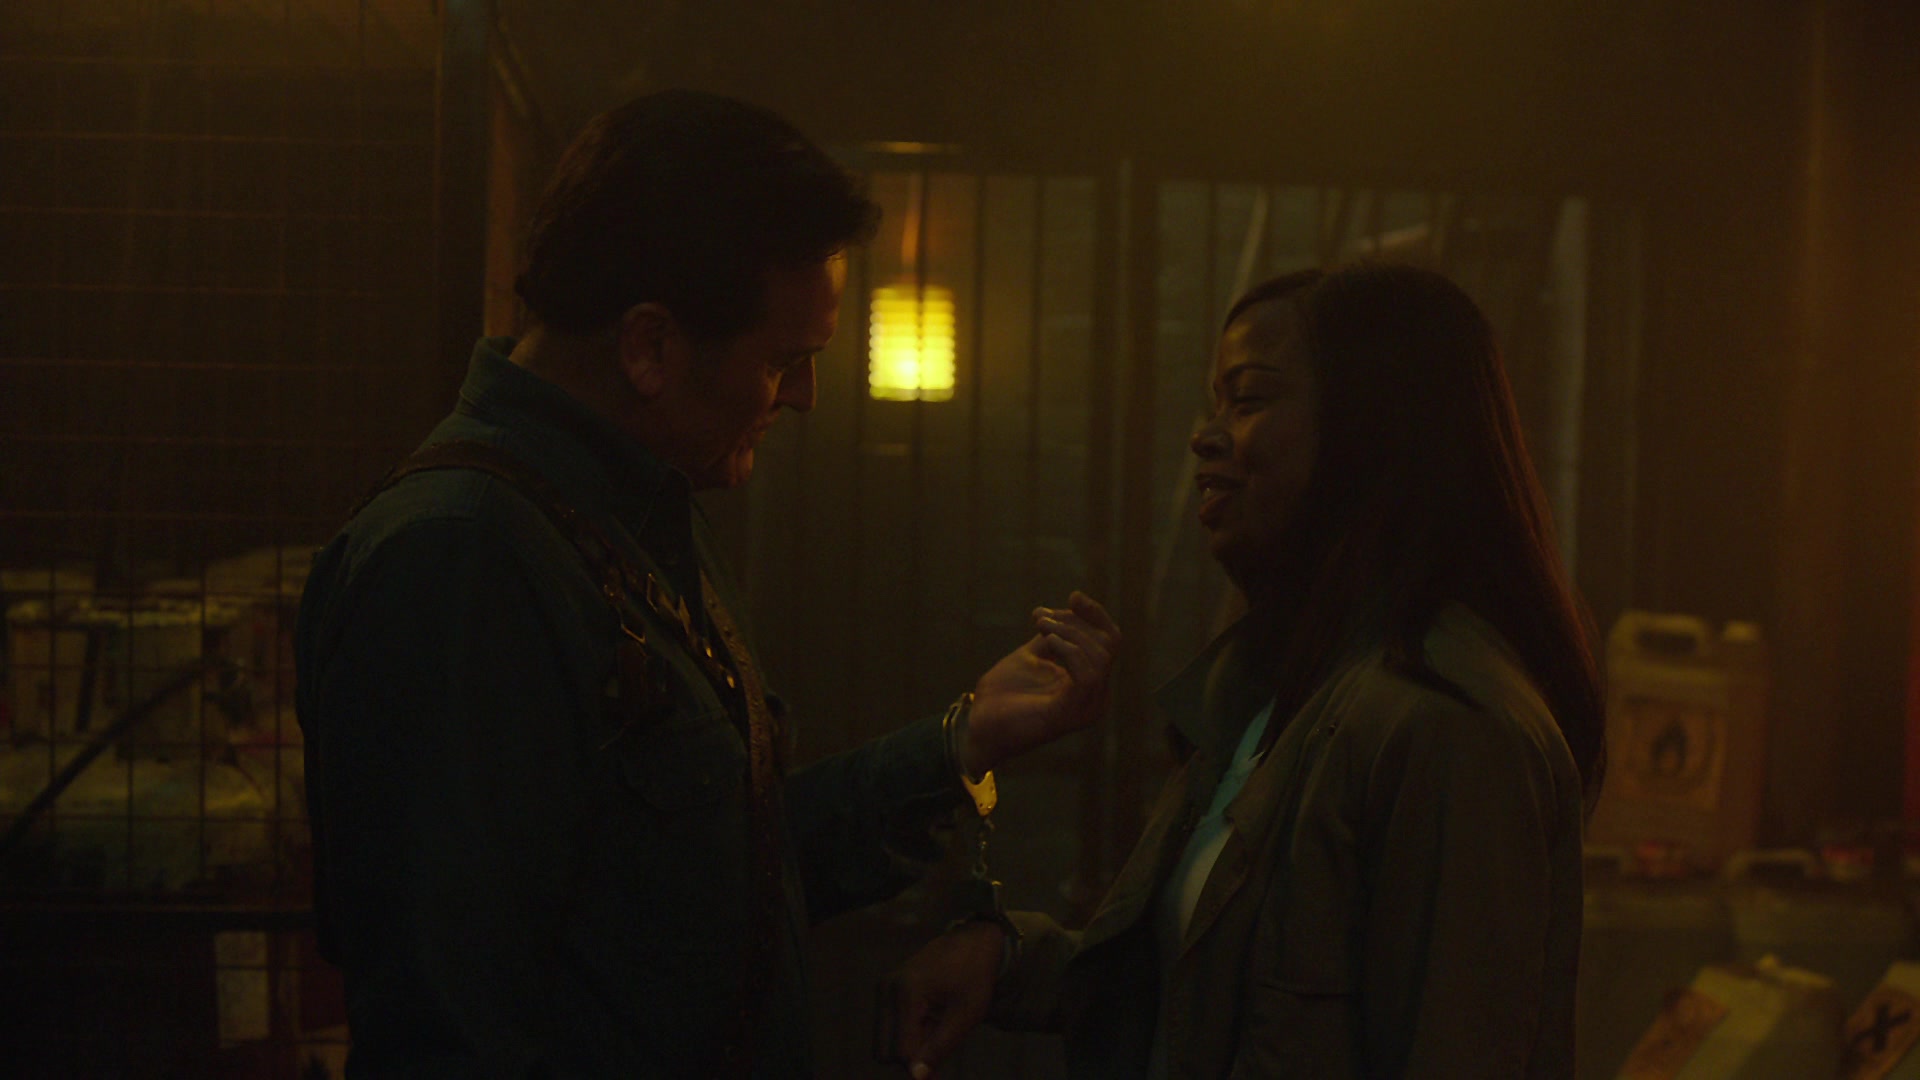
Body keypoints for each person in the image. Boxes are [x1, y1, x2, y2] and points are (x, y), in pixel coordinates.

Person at [293, 89, 1118, 1077]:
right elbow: (452, 1021)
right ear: (650, 347)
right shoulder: (462, 560)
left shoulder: (627, 522)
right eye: (784, 361)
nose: (805, 396)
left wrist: (960, 743)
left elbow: (720, 881)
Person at [891, 263, 1605, 1078]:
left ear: (1375, 426)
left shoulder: (1447, 724)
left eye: (1250, 398)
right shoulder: (1277, 692)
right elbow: (1207, 995)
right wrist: (1010, 962)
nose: (1205, 436)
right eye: (1216, 402)